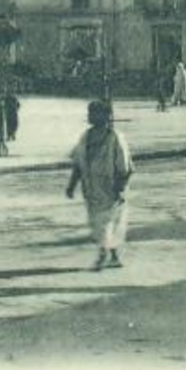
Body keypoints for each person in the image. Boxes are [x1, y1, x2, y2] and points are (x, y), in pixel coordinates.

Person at [65, 100, 134, 270]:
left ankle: (103, 254)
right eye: (90, 113)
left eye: (95, 113)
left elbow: (124, 166)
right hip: (92, 188)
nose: (91, 117)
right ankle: (113, 255)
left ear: (107, 116)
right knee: (98, 223)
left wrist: (120, 188)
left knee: (109, 222)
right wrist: (72, 185)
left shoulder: (115, 138)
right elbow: (78, 163)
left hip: (111, 188)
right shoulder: (86, 137)